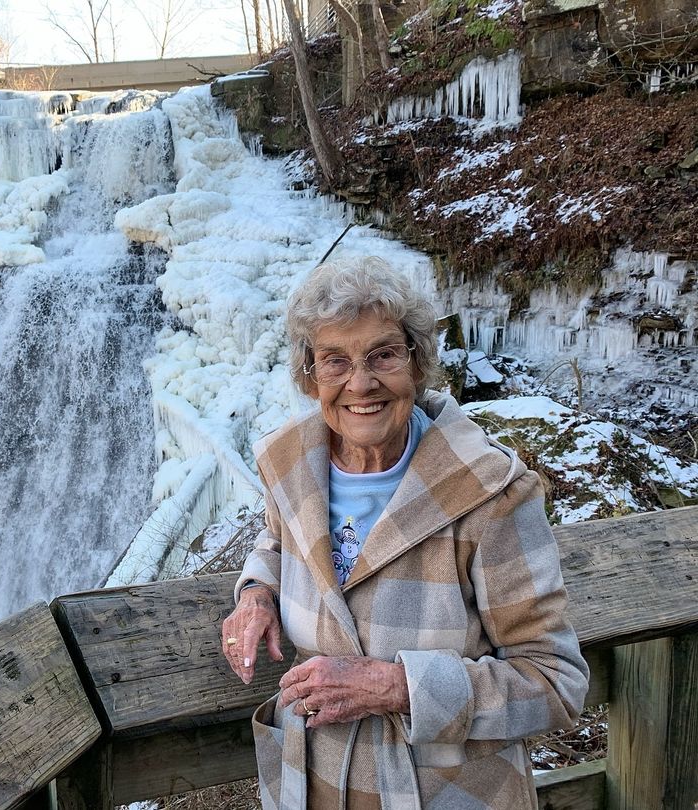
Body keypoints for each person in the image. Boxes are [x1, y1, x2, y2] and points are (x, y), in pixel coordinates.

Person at [221, 257, 588, 809]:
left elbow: (555, 681)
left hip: (449, 794)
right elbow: (278, 542)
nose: (360, 383)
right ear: (310, 375)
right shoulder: (292, 463)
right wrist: (256, 593)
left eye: (383, 355)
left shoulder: (490, 493)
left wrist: (395, 687)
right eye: (335, 361)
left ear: (417, 363)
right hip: (310, 785)